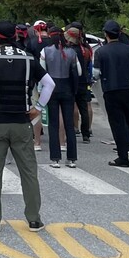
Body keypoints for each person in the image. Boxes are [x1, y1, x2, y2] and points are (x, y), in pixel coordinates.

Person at [0, 21, 55, 233]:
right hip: (22, 122)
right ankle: (34, 219)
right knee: (29, 171)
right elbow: (50, 84)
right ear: (15, 36)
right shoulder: (29, 59)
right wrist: (38, 107)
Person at [94, 20, 129, 168]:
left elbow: (96, 74)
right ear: (120, 33)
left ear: (105, 34)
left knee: (117, 124)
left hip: (110, 90)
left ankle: (123, 156)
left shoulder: (100, 52)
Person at [41, 28, 81, 168]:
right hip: (67, 88)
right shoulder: (71, 52)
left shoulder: (45, 51)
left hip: (52, 87)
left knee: (53, 123)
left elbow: (42, 71)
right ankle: (71, 158)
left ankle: (55, 158)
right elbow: (78, 71)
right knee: (69, 124)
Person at [65, 24, 94, 142]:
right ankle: (86, 134)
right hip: (84, 82)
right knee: (84, 109)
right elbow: (89, 67)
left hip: (72, 83)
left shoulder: (69, 51)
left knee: (70, 108)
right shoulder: (86, 50)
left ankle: (71, 131)